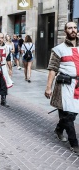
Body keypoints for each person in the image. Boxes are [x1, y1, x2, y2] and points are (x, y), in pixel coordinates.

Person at [45, 21, 79, 155]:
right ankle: (74, 143)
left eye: (75, 27)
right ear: (65, 31)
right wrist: (48, 87)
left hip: (78, 85)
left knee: (73, 113)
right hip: (64, 86)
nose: (73, 30)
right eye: (70, 28)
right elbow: (52, 69)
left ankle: (59, 129)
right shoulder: (58, 49)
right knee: (68, 115)